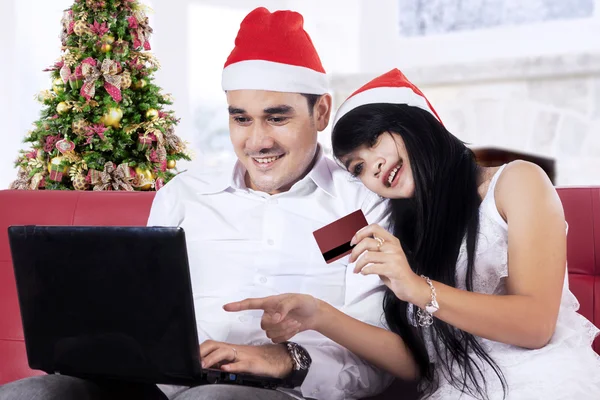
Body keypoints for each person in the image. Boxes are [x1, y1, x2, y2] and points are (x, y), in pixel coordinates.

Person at [0, 7, 393, 400]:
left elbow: (378, 359)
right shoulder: (184, 195)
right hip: (159, 386)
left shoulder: (360, 208)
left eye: (276, 118)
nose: (257, 142)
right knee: (34, 393)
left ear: (320, 112)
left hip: (285, 392)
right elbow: (141, 314)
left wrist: (285, 360)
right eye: (241, 119)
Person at [224, 68, 600, 400]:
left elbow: (535, 326)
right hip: (458, 388)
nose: (374, 167)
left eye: (374, 142)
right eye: (358, 167)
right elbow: (415, 365)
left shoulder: (516, 181)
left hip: (542, 379)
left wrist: (417, 287)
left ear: (415, 122)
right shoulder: (398, 228)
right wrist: (318, 314)